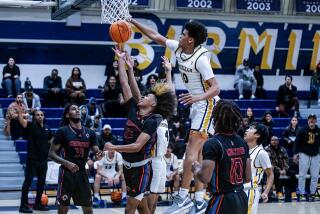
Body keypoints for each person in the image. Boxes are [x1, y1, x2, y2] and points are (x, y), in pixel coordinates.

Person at [131, 19, 220, 213]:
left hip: (206, 103)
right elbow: (155, 36)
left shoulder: (201, 59)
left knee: (190, 150)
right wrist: (131, 20)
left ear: (191, 40)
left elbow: (216, 88)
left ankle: (182, 197)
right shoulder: (179, 49)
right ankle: (198, 199)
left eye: (184, 34)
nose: (180, 36)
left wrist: (197, 97)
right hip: (197, 104)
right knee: (197, 153)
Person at [104, 48, 176, 214]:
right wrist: (124, 64)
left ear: (154, 104)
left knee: (150, 204)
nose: (144, 95)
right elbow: (127, 86)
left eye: (149, 96)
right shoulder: (136, 109)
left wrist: (169, 73)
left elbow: (169, 94)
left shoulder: (157, 117)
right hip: (141, 161)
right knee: (145, 206)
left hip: (151, 161)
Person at [191, 99, 251, 214]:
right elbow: (247, 177)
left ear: (216, 118)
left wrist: (196, 169)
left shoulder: (213, 143)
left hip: (223, 199)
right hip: (241, 198)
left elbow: (205, 178)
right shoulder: (242, 142)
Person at [48, 104, 103, 214]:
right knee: (63, 208)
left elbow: (97, 152)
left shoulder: (90, 133)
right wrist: (67, 163)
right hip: (66, 173)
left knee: (88, 209)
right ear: (68, 115)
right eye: (73, 109)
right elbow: (51, 154)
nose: (77, 110)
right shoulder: (62, 131)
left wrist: (99, 155)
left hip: (82, 173)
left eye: (78, 109)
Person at [147, 56, 174, 214]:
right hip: (152, 158)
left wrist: (169, 72)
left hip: (162, 159)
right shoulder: (150, 115)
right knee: (151, 194)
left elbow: (170, 93)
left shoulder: (163, 116)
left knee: (156, 195)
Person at [18, 110, 52, 213]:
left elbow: (51, 141)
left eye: (41, 115)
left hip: (43, 160)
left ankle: (38, 204)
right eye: (37, 115)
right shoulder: (31, 126)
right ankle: (23, 206)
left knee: (41, 183)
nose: (40, 116)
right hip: (32, 160)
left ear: (44, 116)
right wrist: (22, 112)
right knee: (27, 183)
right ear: (34, 117)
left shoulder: (47, 128)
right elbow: (21, 120)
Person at [244, 123, 274, 214]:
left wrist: (266, 192)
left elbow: (270, 174)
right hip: (238, 190)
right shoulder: (244, 149)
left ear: (257, 135)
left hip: (250, 191)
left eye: (251, 128)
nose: (247, 130)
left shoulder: (261, 153)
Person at [293, 113, 320, 201]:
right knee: (302, 175)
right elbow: (296, 142)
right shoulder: (302, 130)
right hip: (304, 154)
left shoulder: (318, 130)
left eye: (313, 119)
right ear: (308, 120)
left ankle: (312, 193)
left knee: (315, 176)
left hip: (316, 155)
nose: (312, 120)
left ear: (315, 120)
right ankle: (301, 193)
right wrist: (295, 154)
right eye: (310, 119)